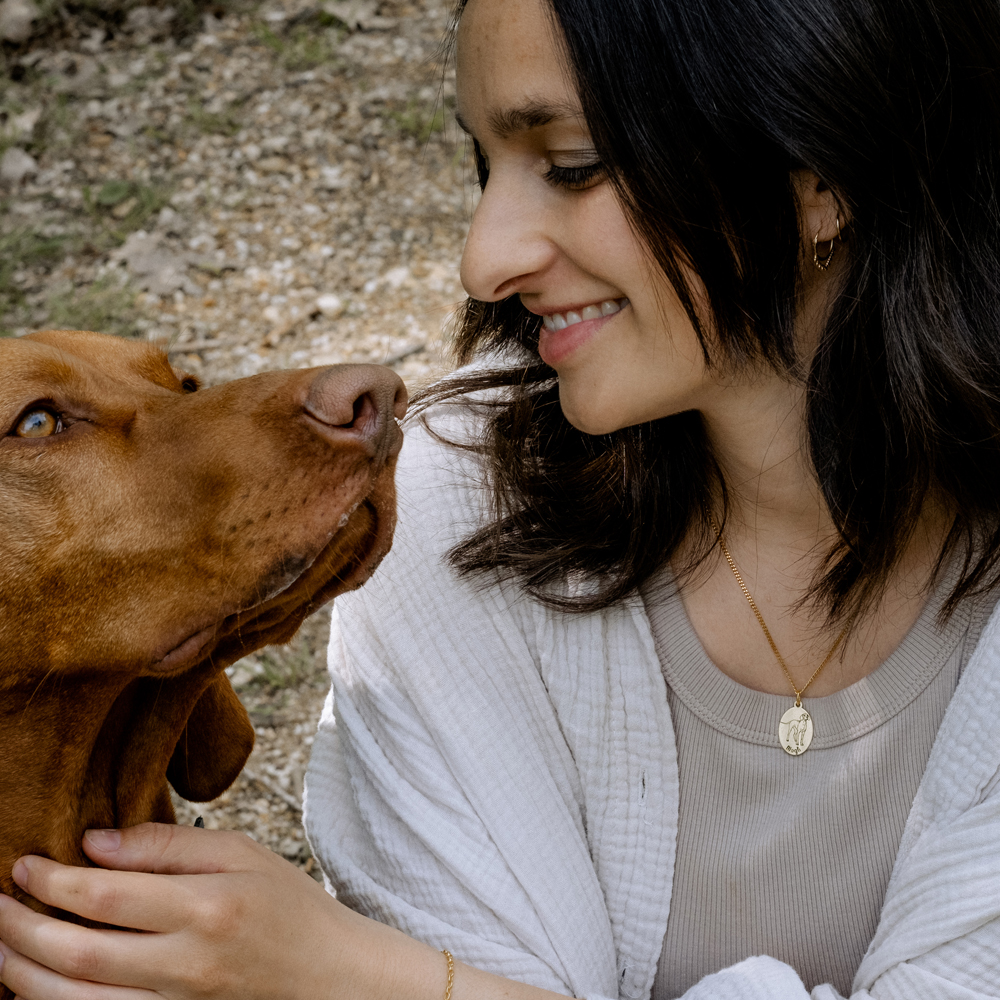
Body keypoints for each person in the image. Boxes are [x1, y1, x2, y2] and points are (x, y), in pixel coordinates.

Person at [1, 0, 999, 996]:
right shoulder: (452, 521)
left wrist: (357, 977)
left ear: (822, 173)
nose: (484, 261)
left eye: (571, 165)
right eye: (488, 168)